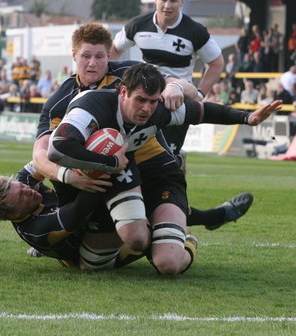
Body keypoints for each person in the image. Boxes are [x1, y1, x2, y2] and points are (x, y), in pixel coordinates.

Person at [47, 63, 282, 275]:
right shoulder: (93, 105)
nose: (147, 109)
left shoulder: (158, 109)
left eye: (152, 101)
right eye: (140, 100)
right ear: (123, 92)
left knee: (168, 264)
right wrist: (109, 162)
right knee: (109, 256)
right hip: (118, 171)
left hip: (156, 174)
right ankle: (167, 229)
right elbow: (58, 148)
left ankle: (185, 239)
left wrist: (247, 118)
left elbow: (201, 111)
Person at [32, 22, 253, 238]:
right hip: (96, 162)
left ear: (109, 55)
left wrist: (175, 86)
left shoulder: (130, 73)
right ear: (74, 55)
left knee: (155, 206)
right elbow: (41, 154)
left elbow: (185, 88)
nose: (93, 63)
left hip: (147, 152)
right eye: (86, 56)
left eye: (99, 56)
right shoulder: (58, 102)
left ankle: (194, 227)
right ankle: (53, 235)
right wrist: (68, 177)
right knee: (86, 216)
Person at [109, 0, 225, 158]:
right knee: (136, 154)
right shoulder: (138, 25)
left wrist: (200, 94)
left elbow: (217, 63)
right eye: (163, 0)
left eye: (173, 1)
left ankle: (177, 161)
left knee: (169, 155)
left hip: (176, 101)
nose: (167, 6)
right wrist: (111, 80)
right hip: (146, 98)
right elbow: (114, 50)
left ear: (181, 2)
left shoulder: (195, 31)